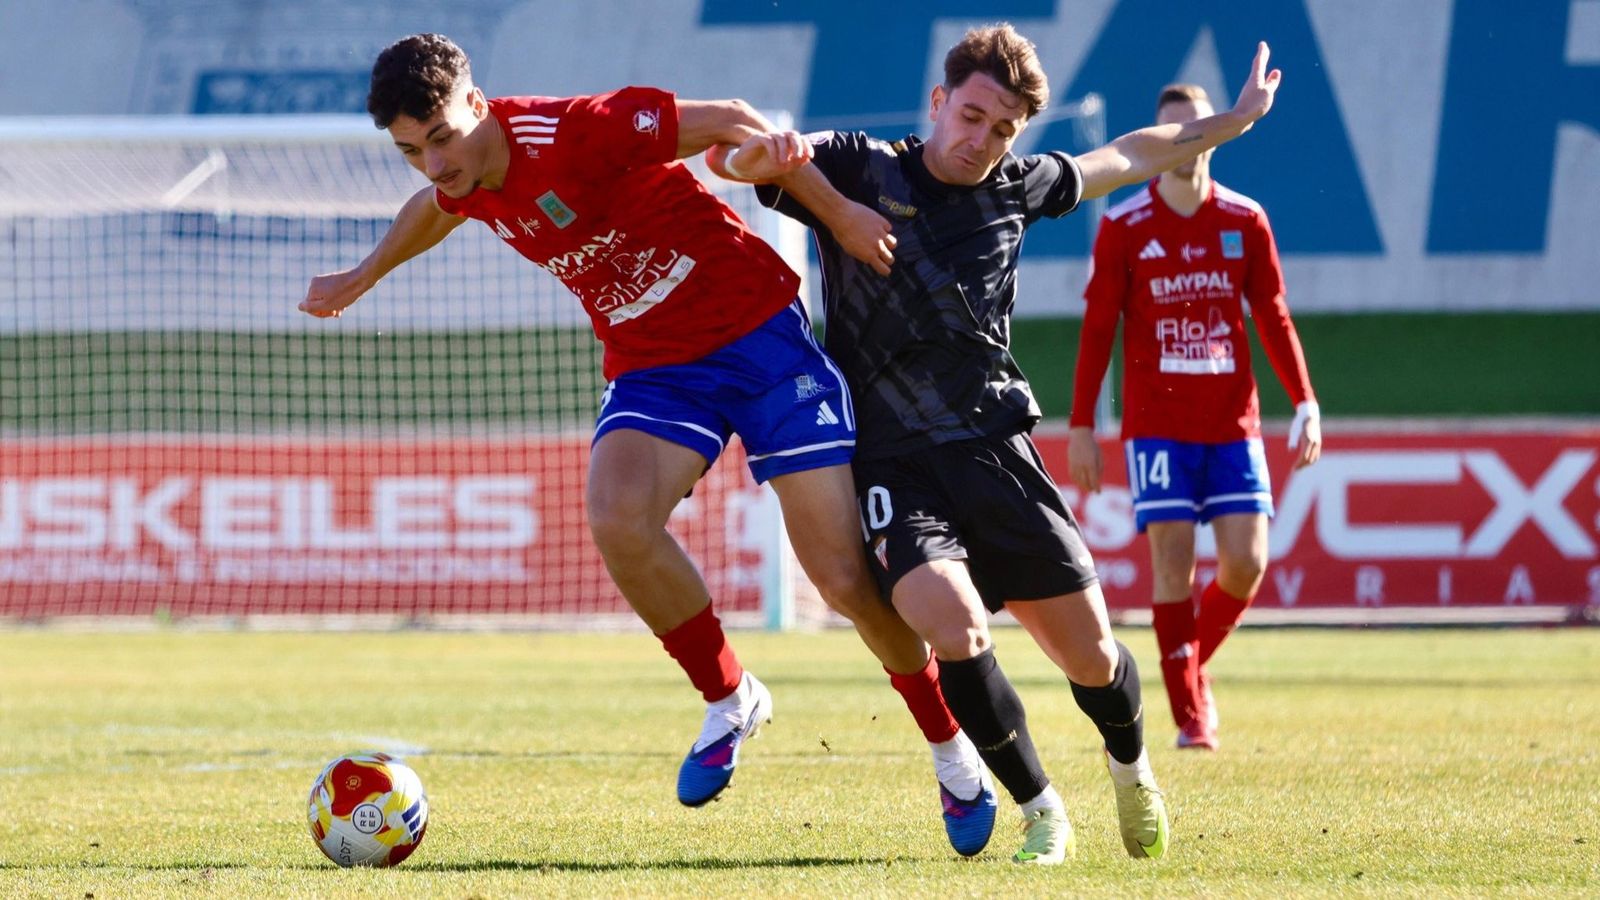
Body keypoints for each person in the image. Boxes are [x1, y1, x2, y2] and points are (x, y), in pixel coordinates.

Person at [298, 33, 1000, 856]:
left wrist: (838, 212)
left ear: (478, 106)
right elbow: (435, 210)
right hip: (656, 367)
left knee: (845, 579)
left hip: (759, 343)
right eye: (411, 150)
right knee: (616, 517)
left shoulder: (580, 132)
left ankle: (952, 750)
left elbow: (735, 121)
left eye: (443, 138)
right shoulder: (462, 180)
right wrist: (360, 276)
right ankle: (731, 696)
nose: (433, 164)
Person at [708, 24, 1282, 863]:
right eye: (972, 116)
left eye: (1003, 128)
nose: (982, 140)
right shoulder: (860, 166)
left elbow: (1127, 154)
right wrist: (758, 162)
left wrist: (1230, 123)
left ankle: (1132, 769)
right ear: (939, 102)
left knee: (1091, 658)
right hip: (893, 461)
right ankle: (1042, 809)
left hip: (995, 449)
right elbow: (744, 163)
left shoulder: (1016, 187)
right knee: (953, 624)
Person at [1067, 84, 1321, 751]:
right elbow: (1097, 330)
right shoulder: (1125, 226)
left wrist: (1306, 402)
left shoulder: (1245, 221)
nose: (1184, 141)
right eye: (1170, 132)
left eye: (1196, 128)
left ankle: (1188, 665)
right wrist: (1083, 426)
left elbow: (1273, 315)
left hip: (1232, 423)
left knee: (1246, 564)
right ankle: (1189, 715)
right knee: (1173, 568)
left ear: (1216, 132)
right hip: (1156, 428)